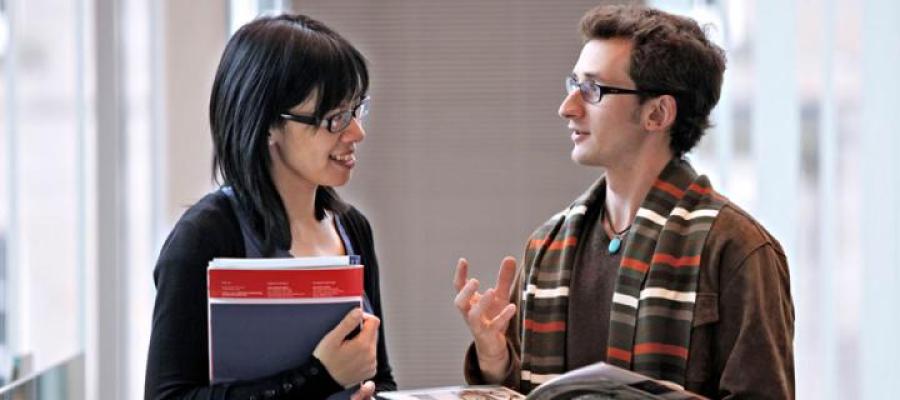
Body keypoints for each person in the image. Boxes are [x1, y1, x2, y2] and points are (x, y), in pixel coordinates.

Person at [453, 5, 794, 399]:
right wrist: (495, 358)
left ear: (658, 113)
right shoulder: (546, 247)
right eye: (573, 84)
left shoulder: (736, 248)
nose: (568, 107)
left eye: (593, 90)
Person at [145, 14, 396, 400]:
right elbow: (168, 397)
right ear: (268, 126)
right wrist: (320, 376)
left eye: (356, 110)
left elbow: (378, 378)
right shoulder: (205, 237)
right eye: (334, 118)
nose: (356, 133)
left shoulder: (353, 229)